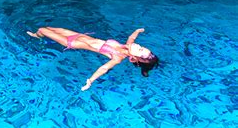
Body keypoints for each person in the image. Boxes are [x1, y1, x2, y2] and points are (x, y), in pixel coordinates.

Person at [27, 26, 159, 91]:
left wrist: (90, 81)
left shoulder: (118, 57)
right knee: (50, 28)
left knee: (42, 30)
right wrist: (138, 31)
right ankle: (38, 35)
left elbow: (104, 68)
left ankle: (37, 36)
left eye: (140, 50)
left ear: (134, 58)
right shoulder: (128, 46)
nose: (139, 46)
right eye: (142, 46)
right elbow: (132, 38)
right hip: (78, 35)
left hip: (72, 43)